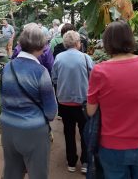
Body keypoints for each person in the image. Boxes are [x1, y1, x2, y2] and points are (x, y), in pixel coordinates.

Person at [87, 20, 138, 179]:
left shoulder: (100, 71)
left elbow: (90, 111)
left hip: (113, 146)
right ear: (131, 38)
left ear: (107, 42)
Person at [0, 23, 57, 179]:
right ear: (42, 46)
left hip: (8, 127)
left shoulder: (7, 67)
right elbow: (51, 112)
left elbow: (2, 99)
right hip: (33, 130)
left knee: (11, 172)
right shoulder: (41, 72)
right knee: (38, 173)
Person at [52, 30, 94, 174]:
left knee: (68, 132)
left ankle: (71, 162)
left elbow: (55, 79)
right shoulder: (85, 57)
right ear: (77, 43)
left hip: (64, 102)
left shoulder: (58, 58)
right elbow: (93, 77)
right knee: (85, 133)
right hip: (82, 102)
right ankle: (85, 162)